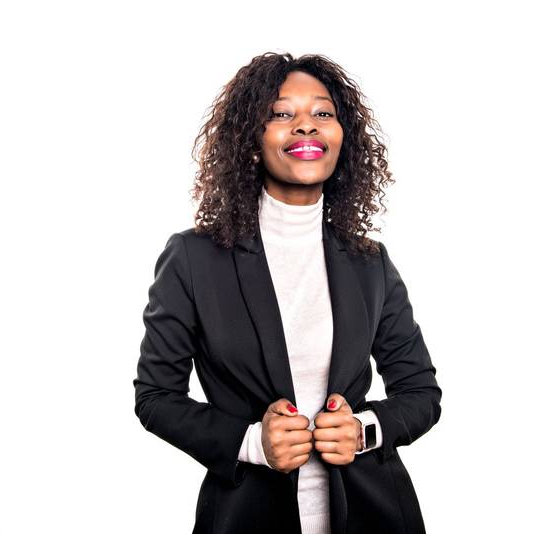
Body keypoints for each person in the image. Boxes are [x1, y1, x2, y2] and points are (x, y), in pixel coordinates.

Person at [133, 52, 442, 534]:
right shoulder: (194, 259)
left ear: (342, 138)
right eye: (282, 113)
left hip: (375, 515)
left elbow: (421, 391)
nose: (306, 125)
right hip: (246, 517)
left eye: (323, 113)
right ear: (252, 140)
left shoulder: (369, 262)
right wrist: (251, 442)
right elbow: (156, 397)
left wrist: (365, 430)